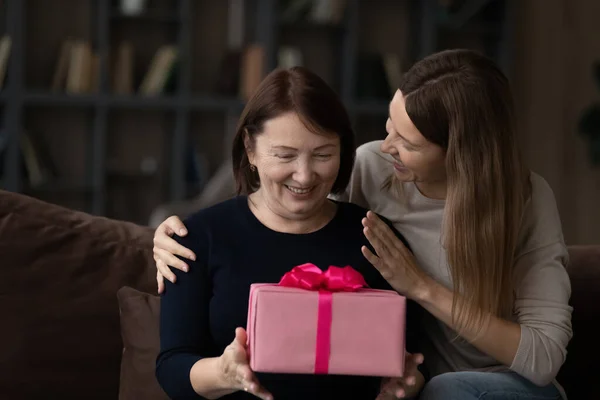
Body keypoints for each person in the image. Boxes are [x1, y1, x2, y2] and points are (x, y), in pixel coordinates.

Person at [154, 49, 574, 400]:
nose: (386, 146)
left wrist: (420, 289)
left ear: (459, 155)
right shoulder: (374, 168)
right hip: (426, 386)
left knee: (447, 392)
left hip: (499, 387)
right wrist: (161, 234)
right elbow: (290, 215)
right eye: (390, 126)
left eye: (407, 143)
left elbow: (542, 357)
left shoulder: (524, 200)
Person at [155, 66, 425, 400]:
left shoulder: (376, 239)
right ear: (250, 149)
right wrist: (224, 372)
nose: (304, 175)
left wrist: (406, 386)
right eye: (285, 155)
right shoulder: (196, 238)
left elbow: (415, 360)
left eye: (323, 155)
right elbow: (172, 367)